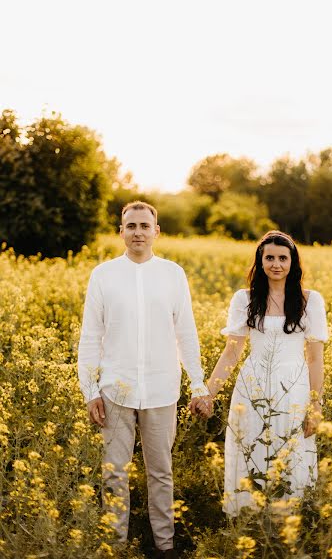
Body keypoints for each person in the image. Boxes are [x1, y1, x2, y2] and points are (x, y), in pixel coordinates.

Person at [78, 201, 212, 558]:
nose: (138, 232)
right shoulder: (103, 275)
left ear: (156, 231)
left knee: (161, 473)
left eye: (144, 226)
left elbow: (186, 333)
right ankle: (115, 546)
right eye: (131, 226)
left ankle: (164, 546)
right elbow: (90, 337)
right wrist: (91, 390)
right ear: (121, 231)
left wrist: (198, 383)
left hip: (161, 387)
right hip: (114, 391)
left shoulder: (172, 274)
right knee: (114, 474)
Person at [192, 230, 328, 515]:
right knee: (251, 449)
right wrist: (208, 393)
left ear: (293, 262)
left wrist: (315, 405)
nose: (276, 264)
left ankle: (285, 525)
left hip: (294, 388)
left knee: (291, 453)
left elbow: (315, 358)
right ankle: (250, 522)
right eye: (269, 258)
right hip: (251, 388)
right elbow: (232, 352)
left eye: (282, 258)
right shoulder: (244, 299)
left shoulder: (310, 301)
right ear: (260, 261)